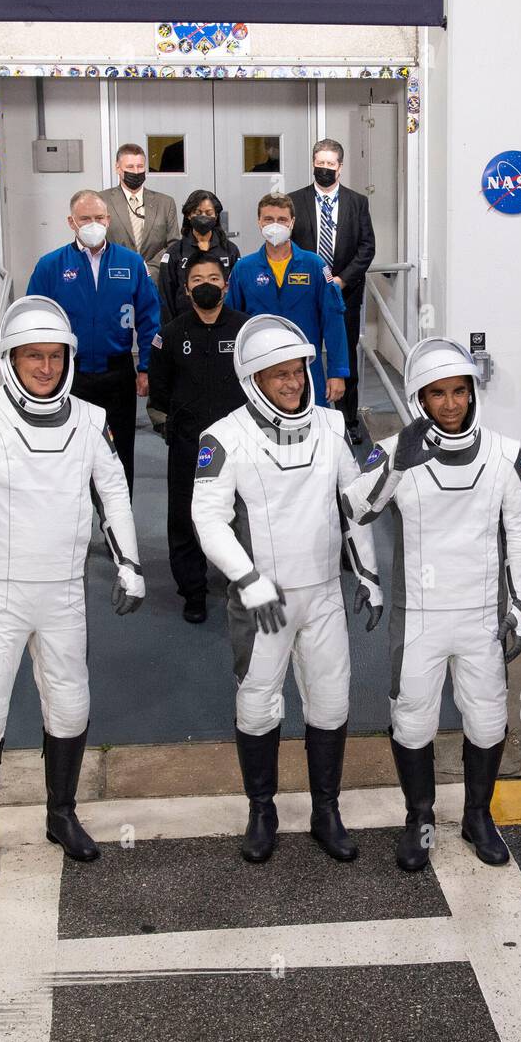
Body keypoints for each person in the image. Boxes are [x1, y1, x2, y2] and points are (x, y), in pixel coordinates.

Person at [0, 302, 145, 884]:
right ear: (10, 359)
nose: (44, 367)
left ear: (68, 358)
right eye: (31, 356)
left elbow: (112, 491)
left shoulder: (91, 420)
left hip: (65, 591)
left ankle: (61, 814)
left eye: (54, 356)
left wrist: (129, 564)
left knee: (70, 704)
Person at [191, 316, 383, 865]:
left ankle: (327, 810)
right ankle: (261, 810)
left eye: (298, 369)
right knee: (257, 707)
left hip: (323, 594)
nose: (293, 382)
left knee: (330, 703)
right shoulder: (222, 439)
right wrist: (247, 581)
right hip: (262, 604)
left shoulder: (330, 425)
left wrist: (367, 576)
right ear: (253, 379)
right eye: (279, 374)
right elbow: (209, 521)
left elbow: (355, 507)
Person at [342, 338, 521, 873]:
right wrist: (395, 465)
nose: (450, 404)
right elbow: (354, 508)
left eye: (459, 392)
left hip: (480, 615)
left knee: (489, 721)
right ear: (417, 397)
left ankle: (478, 816)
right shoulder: (392, 448)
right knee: (412, 722)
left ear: (472, 393)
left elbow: (520, 532)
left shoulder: (505, 453)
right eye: (436, 394)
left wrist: (518, 607)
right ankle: (419, 819)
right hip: (419, 617)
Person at [27, 189, 160, 499]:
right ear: (71, 222)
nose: (93, 224)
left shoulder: (131, 263)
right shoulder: (51, 266)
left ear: (108, 219)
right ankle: (73, 526)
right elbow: (35, 319)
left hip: (117, 374)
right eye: (85, 218)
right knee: (70, 453)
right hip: (69, 375)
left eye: (98, 218)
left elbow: (149, 318)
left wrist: (146, 368)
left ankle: (119, 524)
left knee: (120, 451)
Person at [147, 257, 248, 624]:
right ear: (186, 289)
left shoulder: (245, 331)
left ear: (225, 285)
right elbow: (158, 394)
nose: (206, 284)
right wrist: (169, 428)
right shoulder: (170, 335)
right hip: (189, 444)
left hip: (240, 445)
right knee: (186, 516)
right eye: (197, 279)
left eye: (214, 278)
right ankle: (193, 590)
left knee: (240, 514)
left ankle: (241, 580)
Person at [227, 193, 349, 408]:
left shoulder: (314, 265)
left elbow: (333, 320)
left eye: (282, 219)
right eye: (268, 219)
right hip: (260, 367)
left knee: (313, 427)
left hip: (307, 367)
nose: (275, 225)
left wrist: (337, 372)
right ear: (259, 222)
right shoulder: (243, 269)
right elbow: (230, 323)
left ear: (292, 222)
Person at [290, 139, 376, 444]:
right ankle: (303, 412)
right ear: (313, 162)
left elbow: (367, 248)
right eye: (320, 163)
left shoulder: (357, 202)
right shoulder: (294, 201)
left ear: (340, 166)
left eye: (330, 164)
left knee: (344, 357)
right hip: (303, 293)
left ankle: (347, 420)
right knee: (301, 354)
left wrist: (342, 280)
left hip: (344, 294)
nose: (324, 169)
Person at [157, 188, 241, 325]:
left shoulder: (230, 250)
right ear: (189, 215)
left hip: (223, 322)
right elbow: (165, 296)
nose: (203, 217)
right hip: (184, 323)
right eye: (198, 213)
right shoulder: (175, 252)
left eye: (209, 213)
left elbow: (237, 291)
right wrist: (169, 330)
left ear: (216, 216)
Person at [100, 142, 180, 284]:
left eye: (140, 166)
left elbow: (173, 244)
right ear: (117, 168)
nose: (136, 172)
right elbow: (98, 242)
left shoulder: (165, 203)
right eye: (130, 167)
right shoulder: (101, 201)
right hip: (115, 279)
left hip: (155, 281)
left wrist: (149, 270)